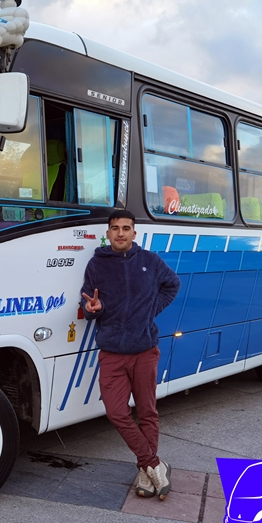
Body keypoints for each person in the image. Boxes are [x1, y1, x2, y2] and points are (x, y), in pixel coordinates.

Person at [80, 209, 181, 500]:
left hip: (144, 350)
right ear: (108, 233)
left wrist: (152, 309)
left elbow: (172, 284)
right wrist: (92, 310)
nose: (120, 233)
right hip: (111, 352)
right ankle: (154, 464)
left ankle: (144, 472)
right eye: (115, 228)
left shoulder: (149, 261)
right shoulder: (97, 265)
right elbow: (87, 303)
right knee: (116, 412)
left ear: (134, 233)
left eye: (126, 228)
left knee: (147, 411)